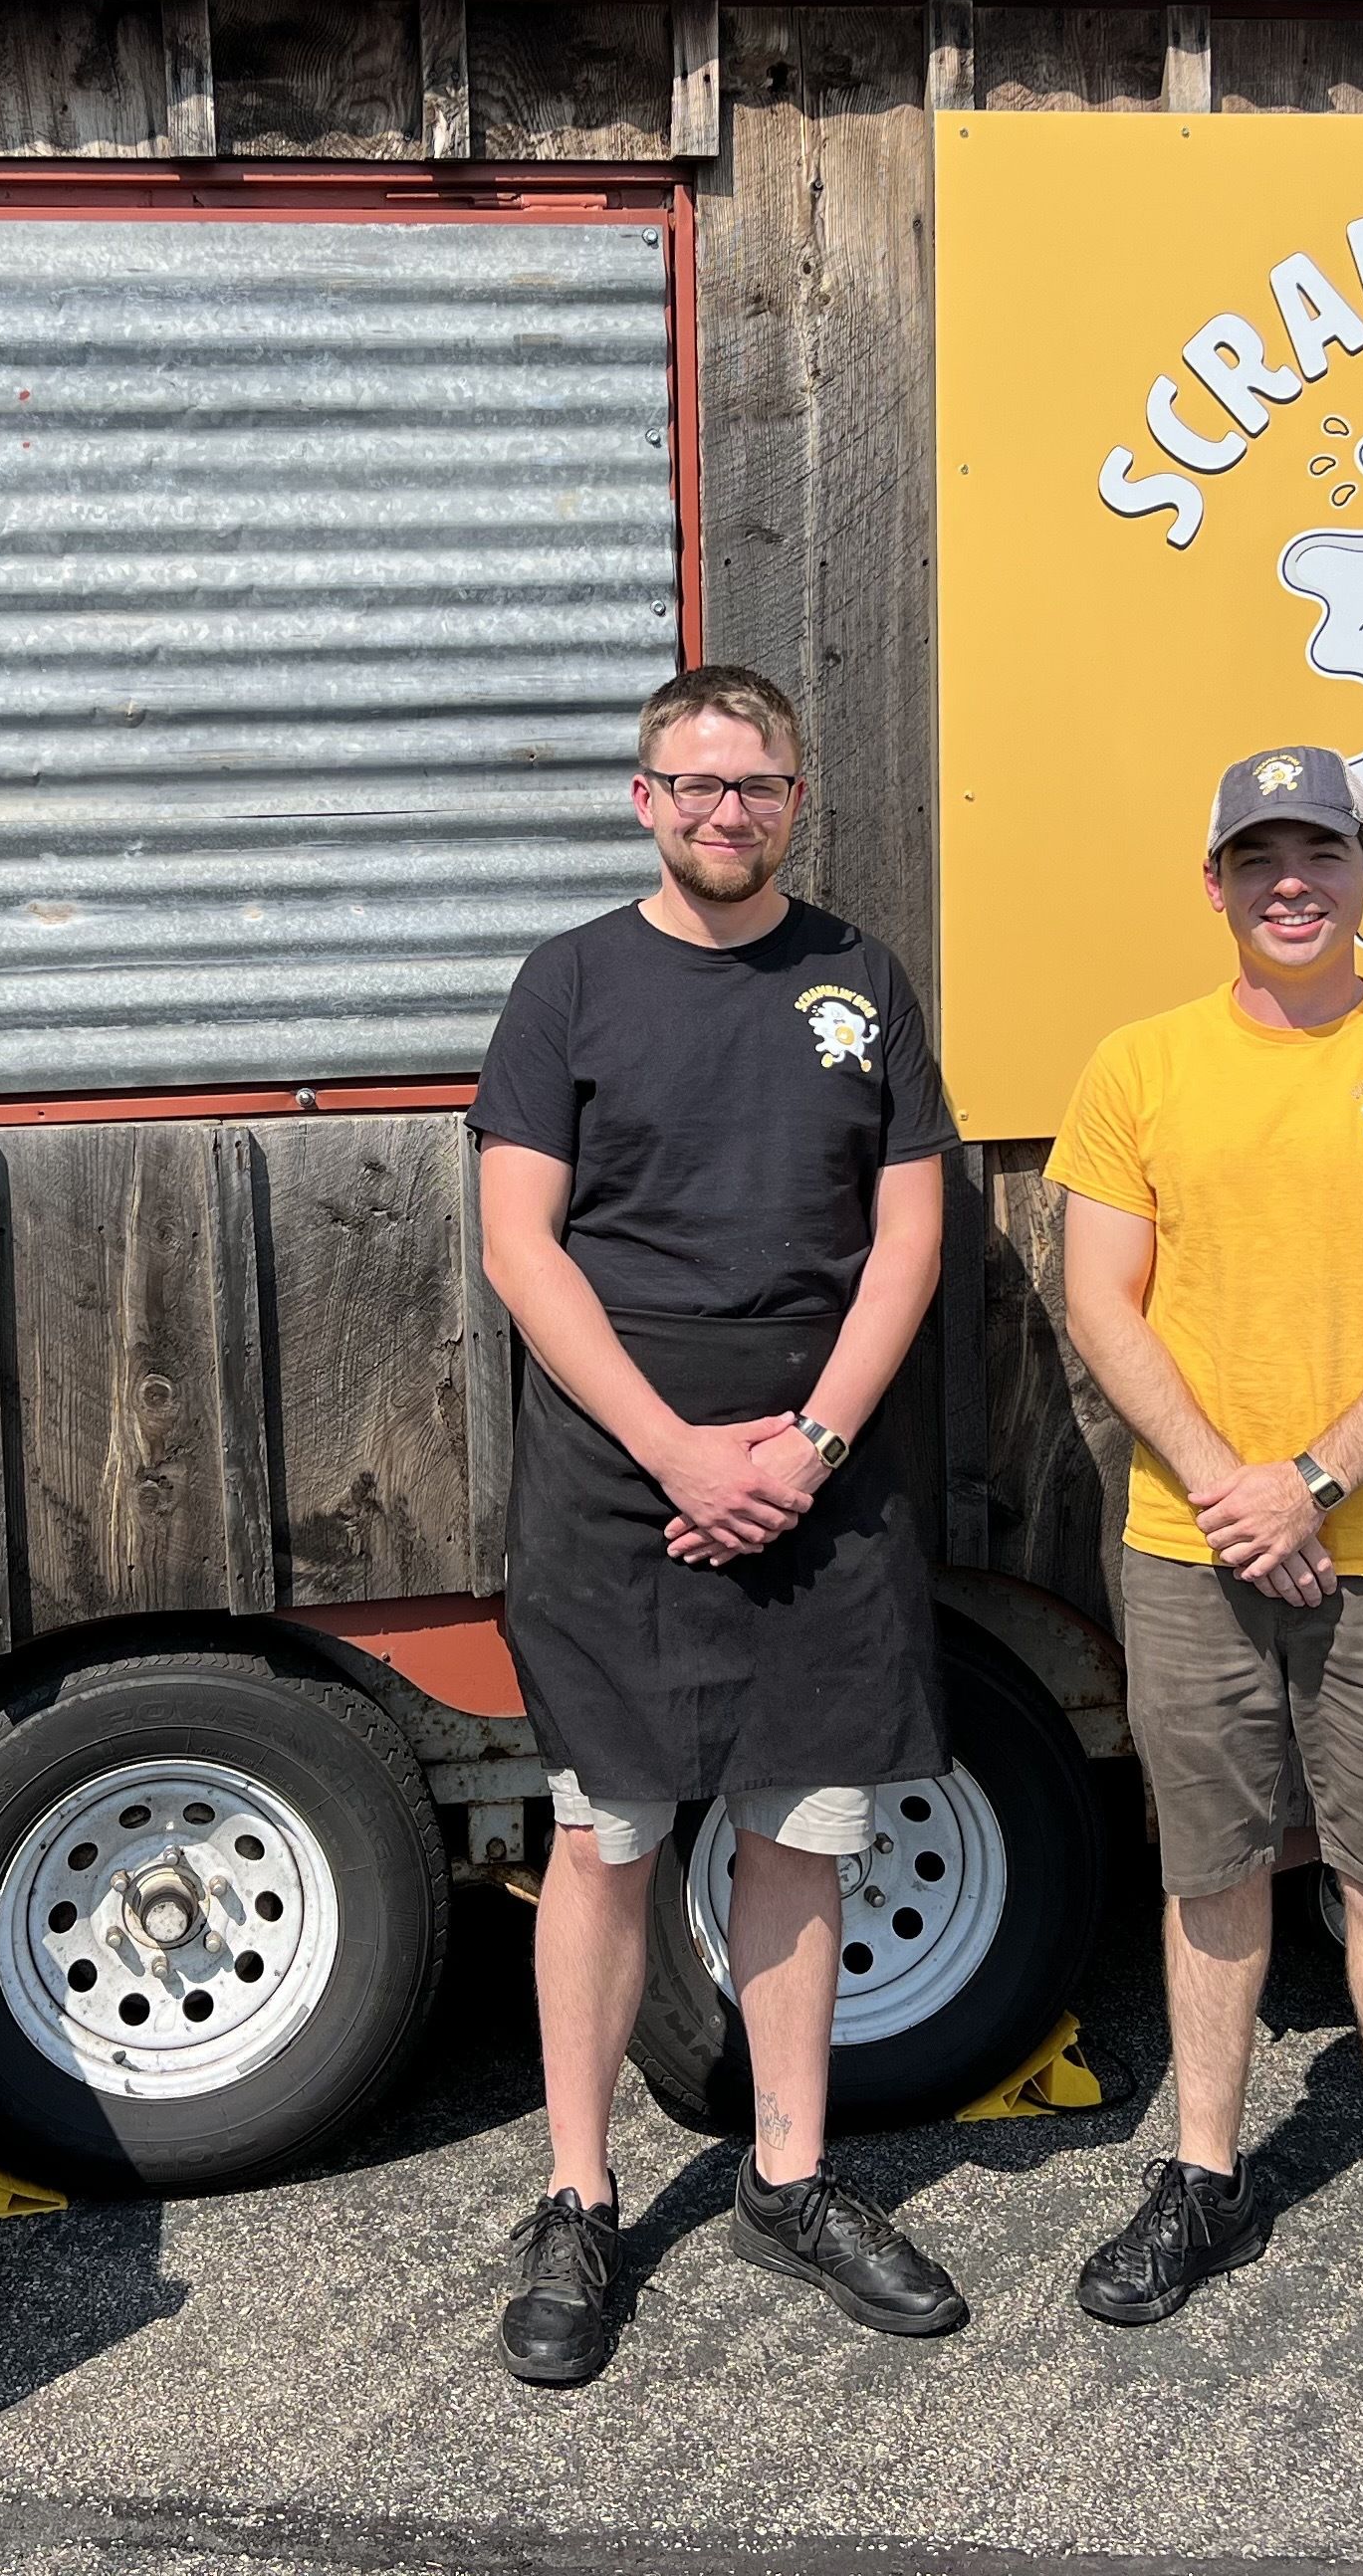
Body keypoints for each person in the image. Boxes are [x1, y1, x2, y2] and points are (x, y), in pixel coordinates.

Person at [468, 662, 968, 2386]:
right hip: (624, 1458)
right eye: (693, 783)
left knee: (802, 1826)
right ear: (643, 800)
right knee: (606, 1835)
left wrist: (809, 1445)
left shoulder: (861, 981)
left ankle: (791, 2177)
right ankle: (580, 2197)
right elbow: (521, 1246)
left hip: (821, 1459)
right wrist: (680, 1452)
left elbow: (909, 1238)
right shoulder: (569, 984)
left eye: (753, 783)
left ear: (795, 798)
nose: (723, 810)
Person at [1044, 743, 1363, 2393]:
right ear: (1213, 883)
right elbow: (1100, 1300)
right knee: (1208, 1873)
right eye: (1259, 854)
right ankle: (1204, 2176)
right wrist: (1224, 1486)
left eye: (1322, 851)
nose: (1292, 881)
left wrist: (1318, 1482)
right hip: (1188, 1547)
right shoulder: (1138, 1066)